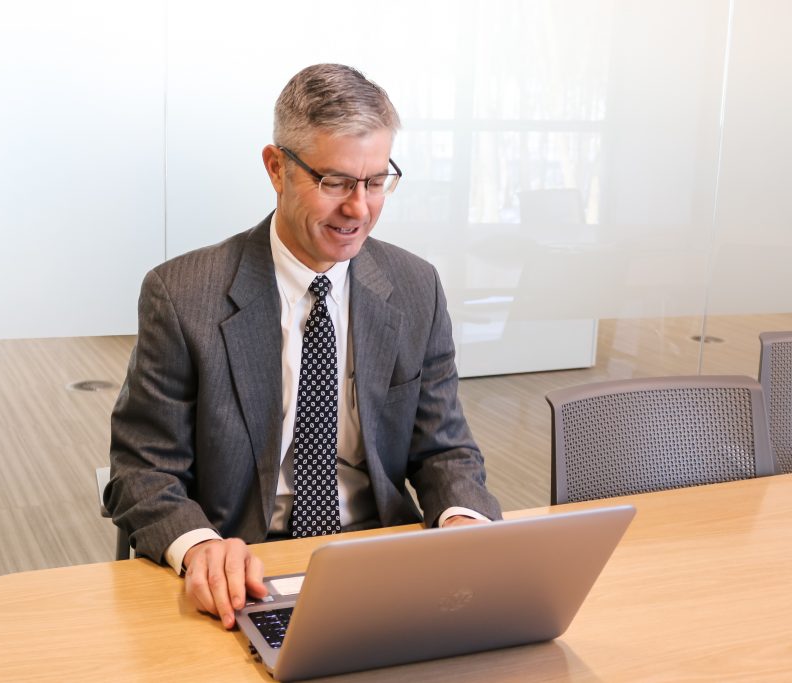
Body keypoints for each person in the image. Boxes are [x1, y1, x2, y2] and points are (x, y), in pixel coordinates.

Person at [105, 63, 502, 629]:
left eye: (375, 181)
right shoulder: (182, 294)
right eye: (335, 182)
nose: (358, 208)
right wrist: (197, 546)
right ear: (276, 169)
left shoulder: (415, 287)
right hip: (247, 569)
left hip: (383, 559)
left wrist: (464, 522)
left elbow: (444, 448)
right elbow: (143, 470)